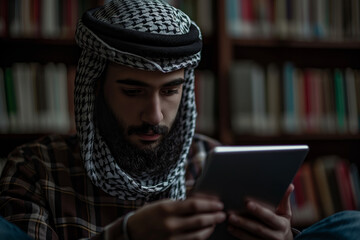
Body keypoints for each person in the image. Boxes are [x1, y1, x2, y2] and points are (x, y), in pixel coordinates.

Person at [1, 0, 360, 240]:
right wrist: (126, 235)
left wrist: (281, 237)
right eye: (133, 91)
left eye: (170, 91)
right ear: (95, 90)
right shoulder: (36, 169)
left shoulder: (212, 161)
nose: (155, 115)